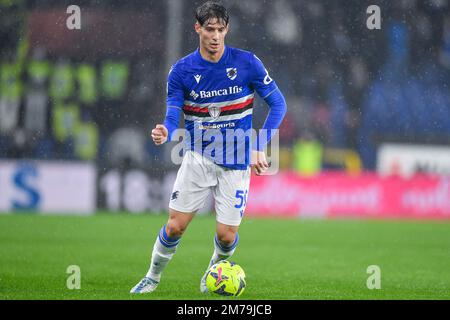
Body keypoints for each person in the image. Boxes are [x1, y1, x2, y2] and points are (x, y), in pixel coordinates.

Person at [130, 1, 287, 294]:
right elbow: (173, 110)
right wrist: (165, 128)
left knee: (227, 236)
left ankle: (212, 273)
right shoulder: (181, 71)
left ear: (227, 29)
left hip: (238, 162)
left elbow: (279, 104)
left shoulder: (247, 63)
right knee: (175, 226)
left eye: (220, 30)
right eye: (209, 29)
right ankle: (152, 276)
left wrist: (258, 146)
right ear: (197, 29)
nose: (215, 36)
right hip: (198, 158)